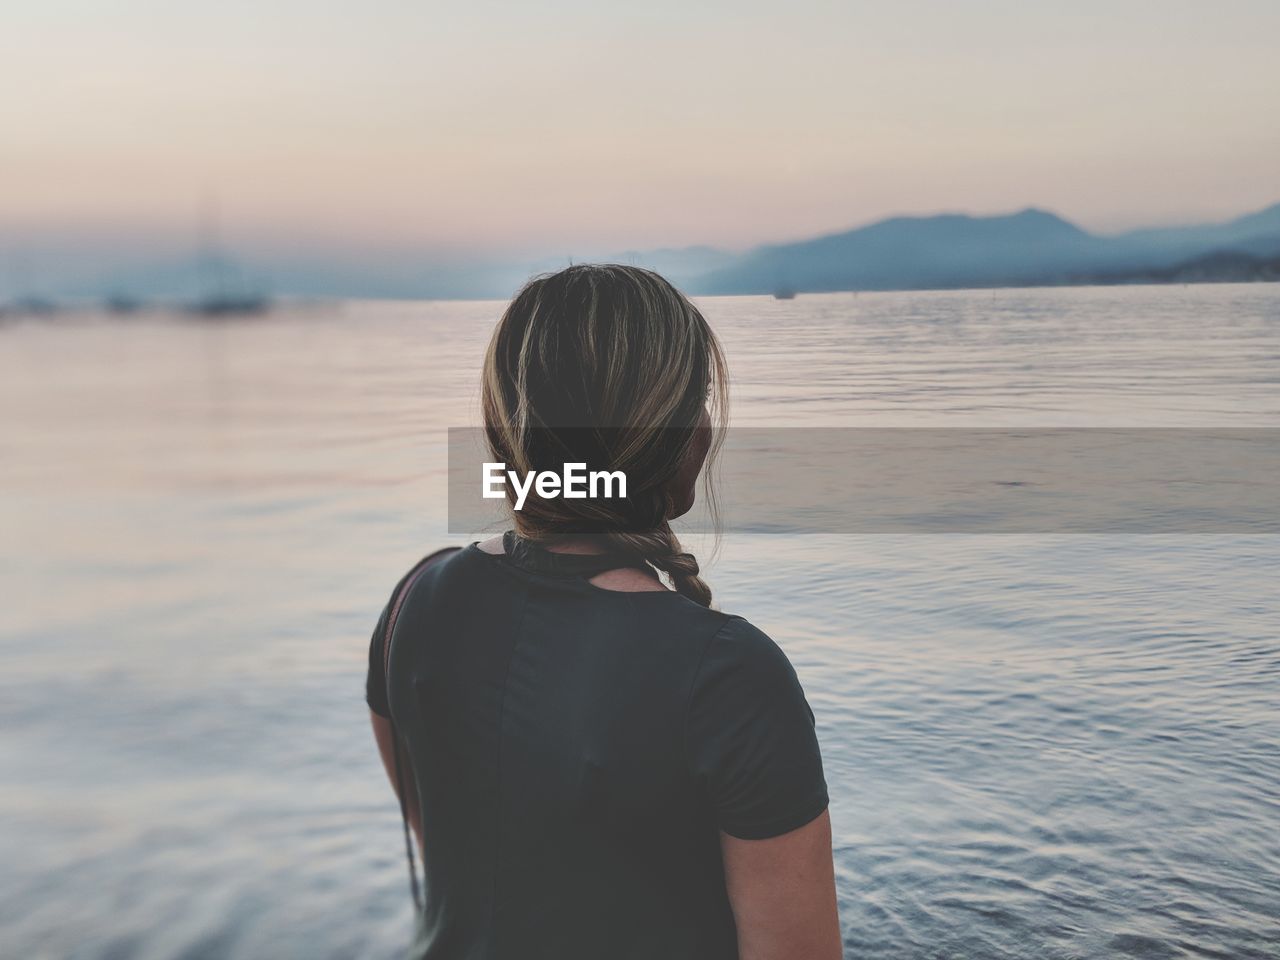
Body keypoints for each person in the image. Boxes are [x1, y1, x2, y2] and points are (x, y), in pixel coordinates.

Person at [366, 264, 840, 959]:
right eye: (698, 401)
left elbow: (459, 860)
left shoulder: (416, 601)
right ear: (666, 433)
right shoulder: (729, 677)